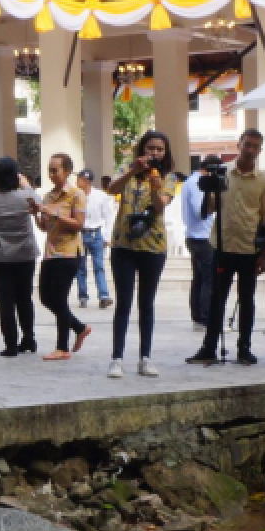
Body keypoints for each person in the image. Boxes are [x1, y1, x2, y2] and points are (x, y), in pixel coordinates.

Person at [189, 128, 265, 367]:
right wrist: (208, 188)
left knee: (247, 300)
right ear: (239, 145)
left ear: (260, 150)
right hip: (222, 246)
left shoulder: (264, 180)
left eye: (255, 146)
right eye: (247, 144)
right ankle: (209, 347)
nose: (250, 150)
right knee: (217, 299)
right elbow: (208, 210)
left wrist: (263, 253)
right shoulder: (222, 172)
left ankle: (244, 348)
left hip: (249, 248)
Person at [106, 130, 175, 378]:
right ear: (142, 150)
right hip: (123, 244)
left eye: (159, 149)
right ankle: (117, 358)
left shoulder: (168, 176)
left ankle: (145, 357)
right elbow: (111, 188)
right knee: (123, 302)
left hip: (153, 246)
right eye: (150, 148)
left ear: (165, 153)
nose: (154, 153)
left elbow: (160, 206)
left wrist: (156, 187)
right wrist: (132, 171)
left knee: (146, 302)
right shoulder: (128, 168)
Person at [30, 152, 91, 359]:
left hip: (68, 253)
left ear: (67, 171)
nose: (51, 174)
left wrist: (54, 214)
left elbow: (79, 224)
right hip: (50, 252)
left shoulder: (76, 194)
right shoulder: (48, 196)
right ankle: (79, 327)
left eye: (55, 170)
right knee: (46, 297)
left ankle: (62, 347)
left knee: (59, 299)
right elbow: (45, 227)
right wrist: (36, 214)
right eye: (49, 170)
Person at [0, 156, 39, 357]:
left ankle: (11, 344)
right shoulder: (26, 197)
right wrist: (26, 184)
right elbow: (38, 202)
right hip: (25, 254)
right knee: (25, 298)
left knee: (5, 301)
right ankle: (29, 338)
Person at [180, 162, 216, 329]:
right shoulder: (197, 183)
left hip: (196, 235)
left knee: (200, 278)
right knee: (209, 278)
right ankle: (206, 315)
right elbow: (200, 211)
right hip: (202, 236)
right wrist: (215, 205)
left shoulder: (191, 181)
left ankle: (198, 314)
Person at [76, 169, 115, 309]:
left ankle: (103, 296)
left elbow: (108, 216)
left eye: (79, 179)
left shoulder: (101, 196)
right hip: (80, 233)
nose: (77, 182)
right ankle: (83, 296)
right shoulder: (75, 196)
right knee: (80, 268)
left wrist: (107, 236)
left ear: (86, 181)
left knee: (99, 266)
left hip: (96, 234)